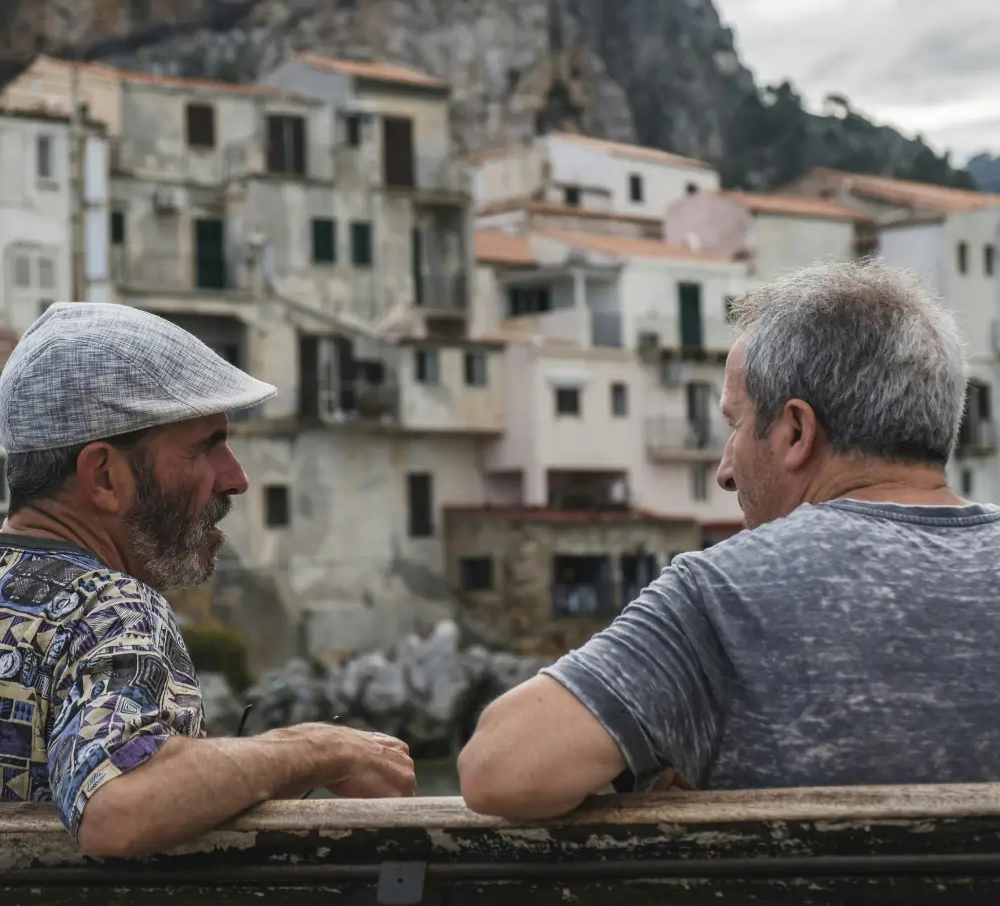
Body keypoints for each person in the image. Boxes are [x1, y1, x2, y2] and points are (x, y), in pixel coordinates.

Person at [459, 258, 1000, 819]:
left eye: (735, 425)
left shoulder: (726, 592)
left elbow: (500, 768)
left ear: (796, 431)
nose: (724, 470)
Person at [0, 303, 415, 857]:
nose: (236, 478)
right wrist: (316, 747)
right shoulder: (108, 607)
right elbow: (119, 806)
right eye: (205, 447)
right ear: (103, 476)